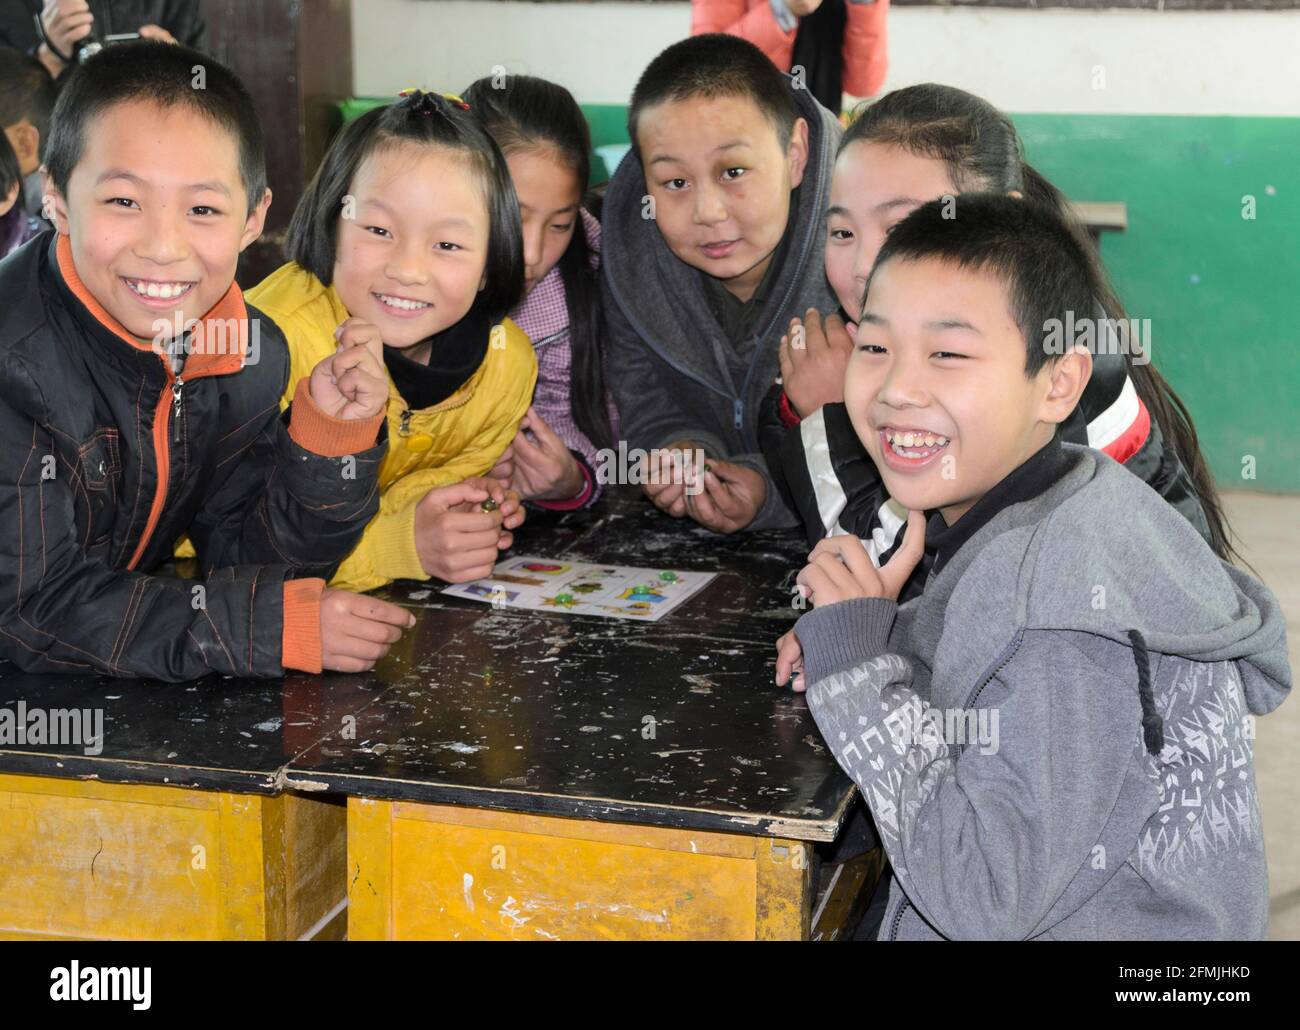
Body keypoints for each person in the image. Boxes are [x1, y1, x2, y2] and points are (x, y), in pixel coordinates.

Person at [789, 193, 1290, 939]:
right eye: (874, 346)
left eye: (948, 354)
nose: (896, 389)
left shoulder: (1065, 606)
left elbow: (983, 897)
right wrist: (881, 638)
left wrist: (860, 674)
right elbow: (992, 680)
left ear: (1058, 383)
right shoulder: (1059, 493)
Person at [0, 40, 414, 680]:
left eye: (202, 209)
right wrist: (269, 630)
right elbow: (28, 610)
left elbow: (247, 562)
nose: (163, 247)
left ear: (253, 219)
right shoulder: (14, 364)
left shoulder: (242, 353)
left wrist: (330, 445)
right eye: (123, 202)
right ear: (55, 197)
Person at [248, 90, 535, 593]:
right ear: (332, 223)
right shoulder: (266, 346)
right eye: (378, 229)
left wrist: (453, 514)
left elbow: (429, 483)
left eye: (447, 244)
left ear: (491, 263)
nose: (406, 269)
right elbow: (216, 537)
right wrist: (400, 544)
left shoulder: (506, 370)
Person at [604, 33, 840, 533]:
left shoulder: (859, 259)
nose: (707, 212)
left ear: (795, 153)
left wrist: (773, 491)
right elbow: (645, 400)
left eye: (733, 171)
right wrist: (680, 449)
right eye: (674, 183)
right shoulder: (626, 249)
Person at [463, 73, 620, 511]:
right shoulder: (396, 281)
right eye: (514, 215)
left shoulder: (586, 288)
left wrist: (572, 478)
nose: (532, 254)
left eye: (559, 224)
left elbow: (597, 432)